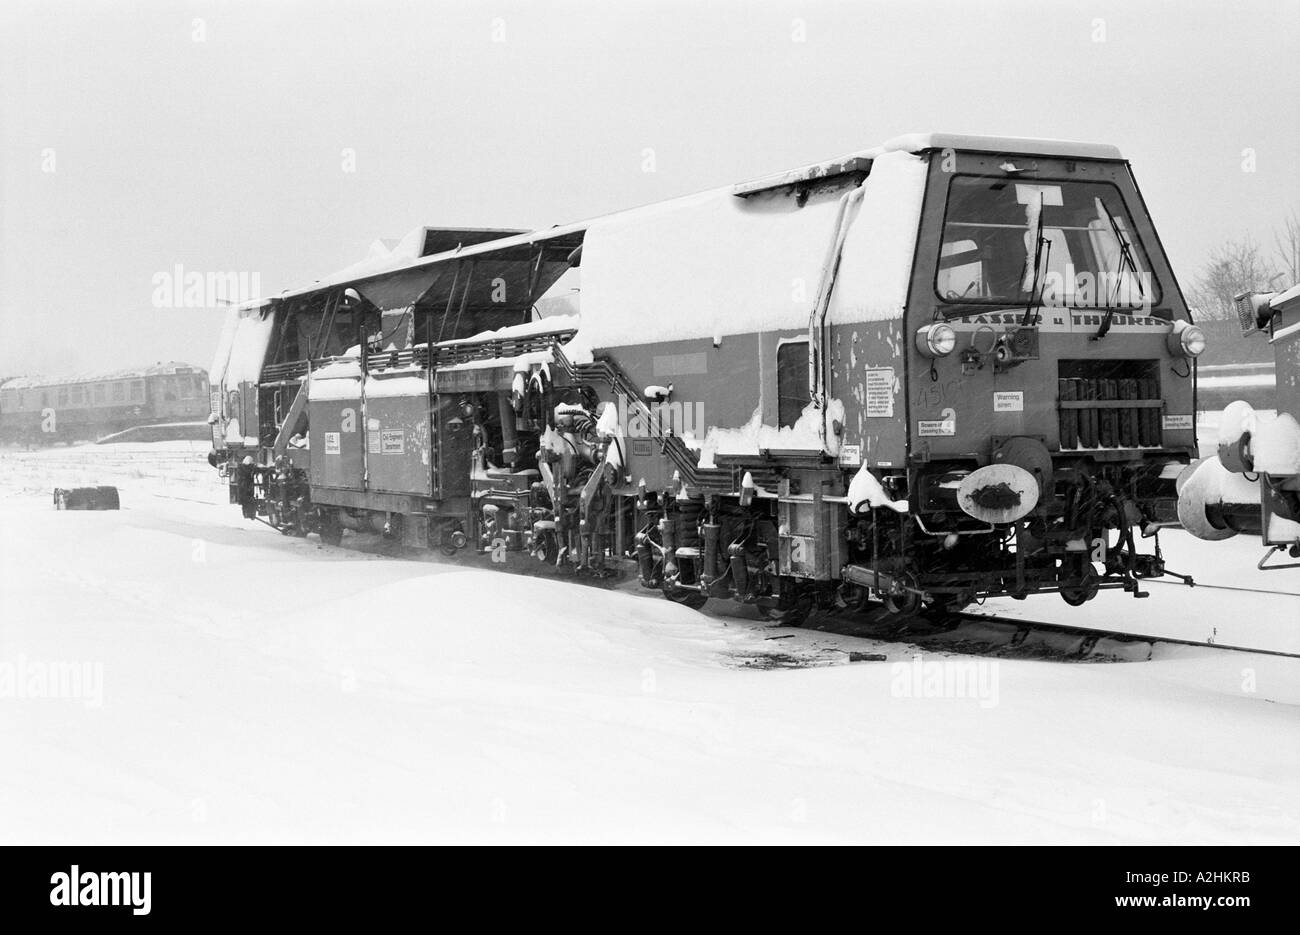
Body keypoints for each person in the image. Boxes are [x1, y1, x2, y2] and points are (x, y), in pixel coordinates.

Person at [237, 455, 258, 519]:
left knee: (246, 502)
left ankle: (249, 514)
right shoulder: (248, 470)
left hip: (245, 490)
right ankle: (249, 514)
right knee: (248, 501)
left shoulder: (241, 469)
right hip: (246, 490)